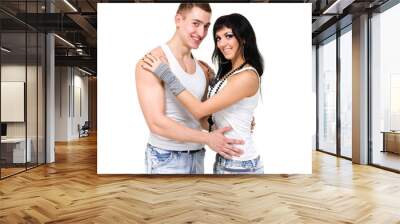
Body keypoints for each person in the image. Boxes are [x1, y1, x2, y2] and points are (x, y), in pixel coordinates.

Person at [141, 13, 264, 174]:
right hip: (226, 161)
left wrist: (167, 75)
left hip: (240, 164)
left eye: (229, 36)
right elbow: (206, 119)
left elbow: (199, 110)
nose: (222, 43)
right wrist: (211, 81)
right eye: (218, 38)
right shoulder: (232, 74)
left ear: (244, 38)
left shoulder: (246, 76)